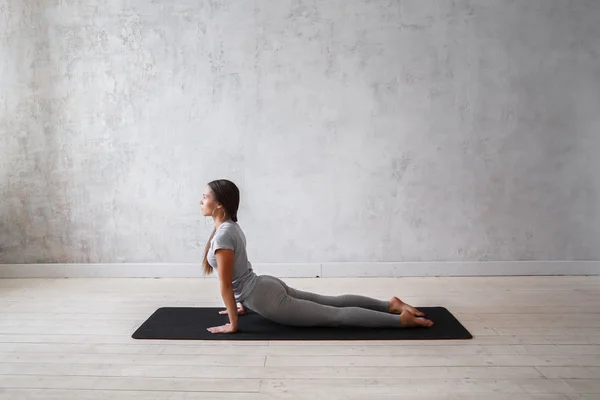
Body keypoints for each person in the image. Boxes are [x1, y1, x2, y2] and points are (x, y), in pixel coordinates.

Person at [199, 179, 434, 334]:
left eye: (205, 197)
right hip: (264, 286)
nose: (201, 200)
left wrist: (233, 324)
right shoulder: (229, 227)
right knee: (331, 303)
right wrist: (244, 304)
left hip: (265, 297)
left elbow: (226, 286)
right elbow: (239, 275)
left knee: (335, 315)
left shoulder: (222, 236)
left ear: (219, 205)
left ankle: (399, 320)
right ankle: (389, 305)